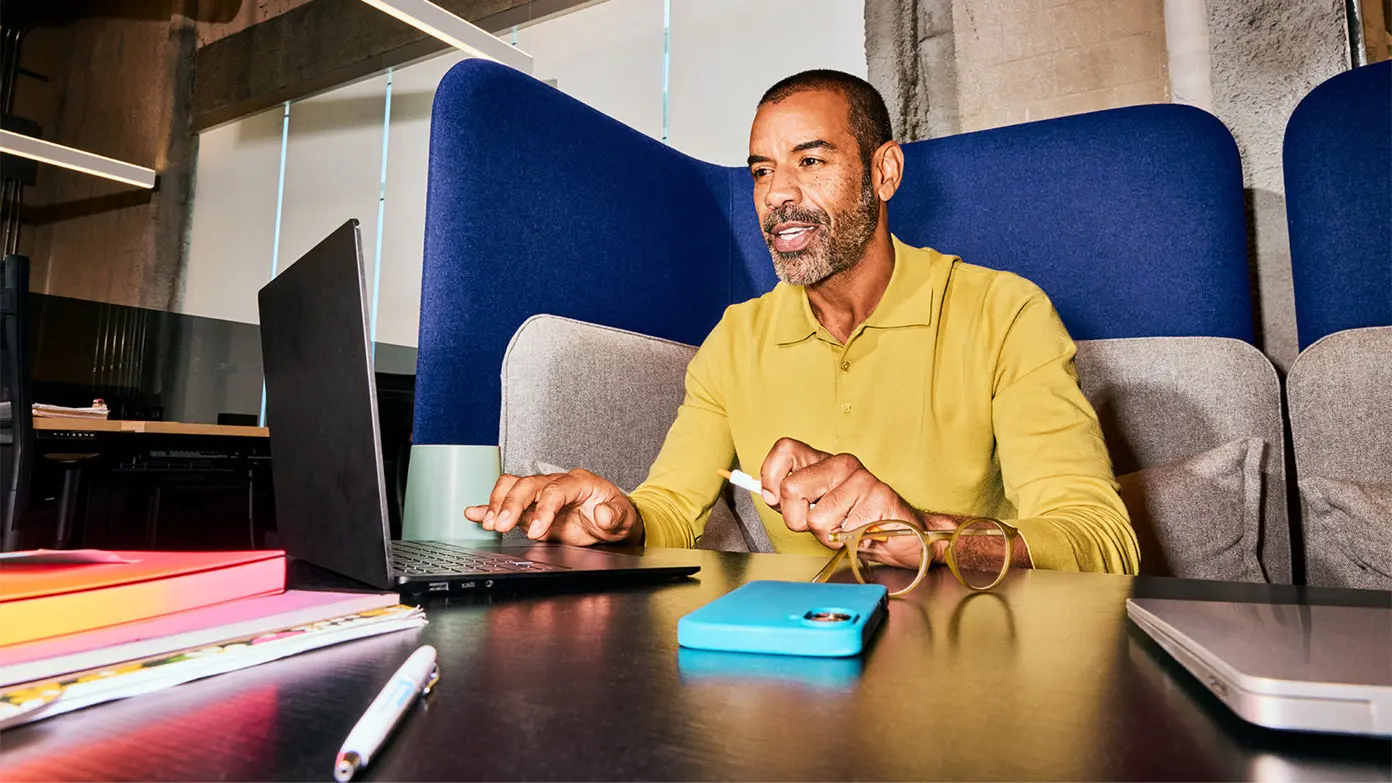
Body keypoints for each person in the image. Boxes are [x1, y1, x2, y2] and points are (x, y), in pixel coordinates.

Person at [464, 70, 1140, 574]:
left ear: (885, 172)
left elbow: (1103, 541)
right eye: (761, 171)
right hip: (799, 665)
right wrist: (618, 518)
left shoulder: (1005, 311)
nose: (777, 195)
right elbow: (671, 506)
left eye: (810, 160)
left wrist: (928, 536)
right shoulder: (735, 340)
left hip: (973, 657)